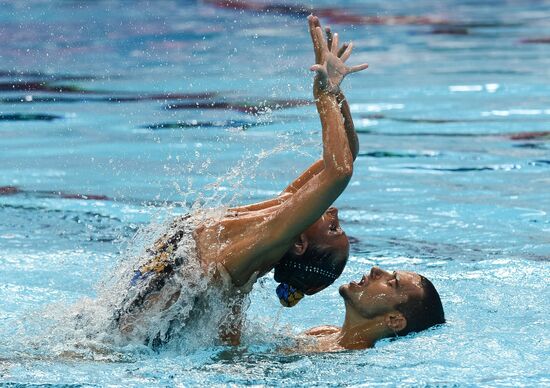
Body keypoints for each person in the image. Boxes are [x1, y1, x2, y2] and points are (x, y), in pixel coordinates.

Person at [112, 15, 369, 347]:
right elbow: (347, 154)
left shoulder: (266, 239)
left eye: (333, 229)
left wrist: (324, 95)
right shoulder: (276, 214)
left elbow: (341, 171)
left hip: (129, 343)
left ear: (300, 244)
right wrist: (336, 91)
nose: (334, 214)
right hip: (131, 323)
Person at [300, 266, 445, 352]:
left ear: (394, 320)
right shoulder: (323, 332)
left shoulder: (344, 363)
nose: (375, 270)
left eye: (392, 282)